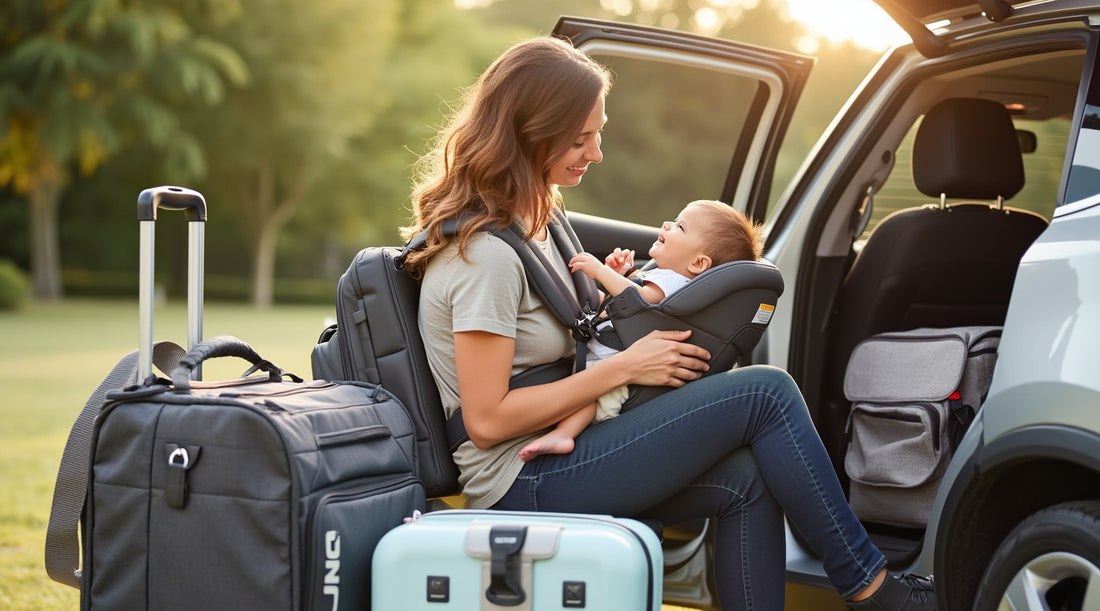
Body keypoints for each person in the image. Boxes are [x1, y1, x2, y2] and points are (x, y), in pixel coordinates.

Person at [402, 35, 936, 610]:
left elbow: (587, 329)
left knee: (748, 480)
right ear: (532, 134)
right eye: (581, 139)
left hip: (568, 443)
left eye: (598, 133)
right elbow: (485, 421)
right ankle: (876, 592)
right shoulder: (486, 256)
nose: (597, 151)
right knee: (769, 392)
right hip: (519, 480)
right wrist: (628, 366)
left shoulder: (542, 223)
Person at [518, 199, 764, 461]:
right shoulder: (673, 281)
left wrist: (602, 272)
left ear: (698, 263)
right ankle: (563, 433)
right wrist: (622, 276)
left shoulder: (673, 281)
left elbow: (641, 300)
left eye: (680, 227)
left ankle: (564, 434)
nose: (668, 225)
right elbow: (631, 301)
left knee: (588, 397)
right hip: (617, 356)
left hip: (616, 369)